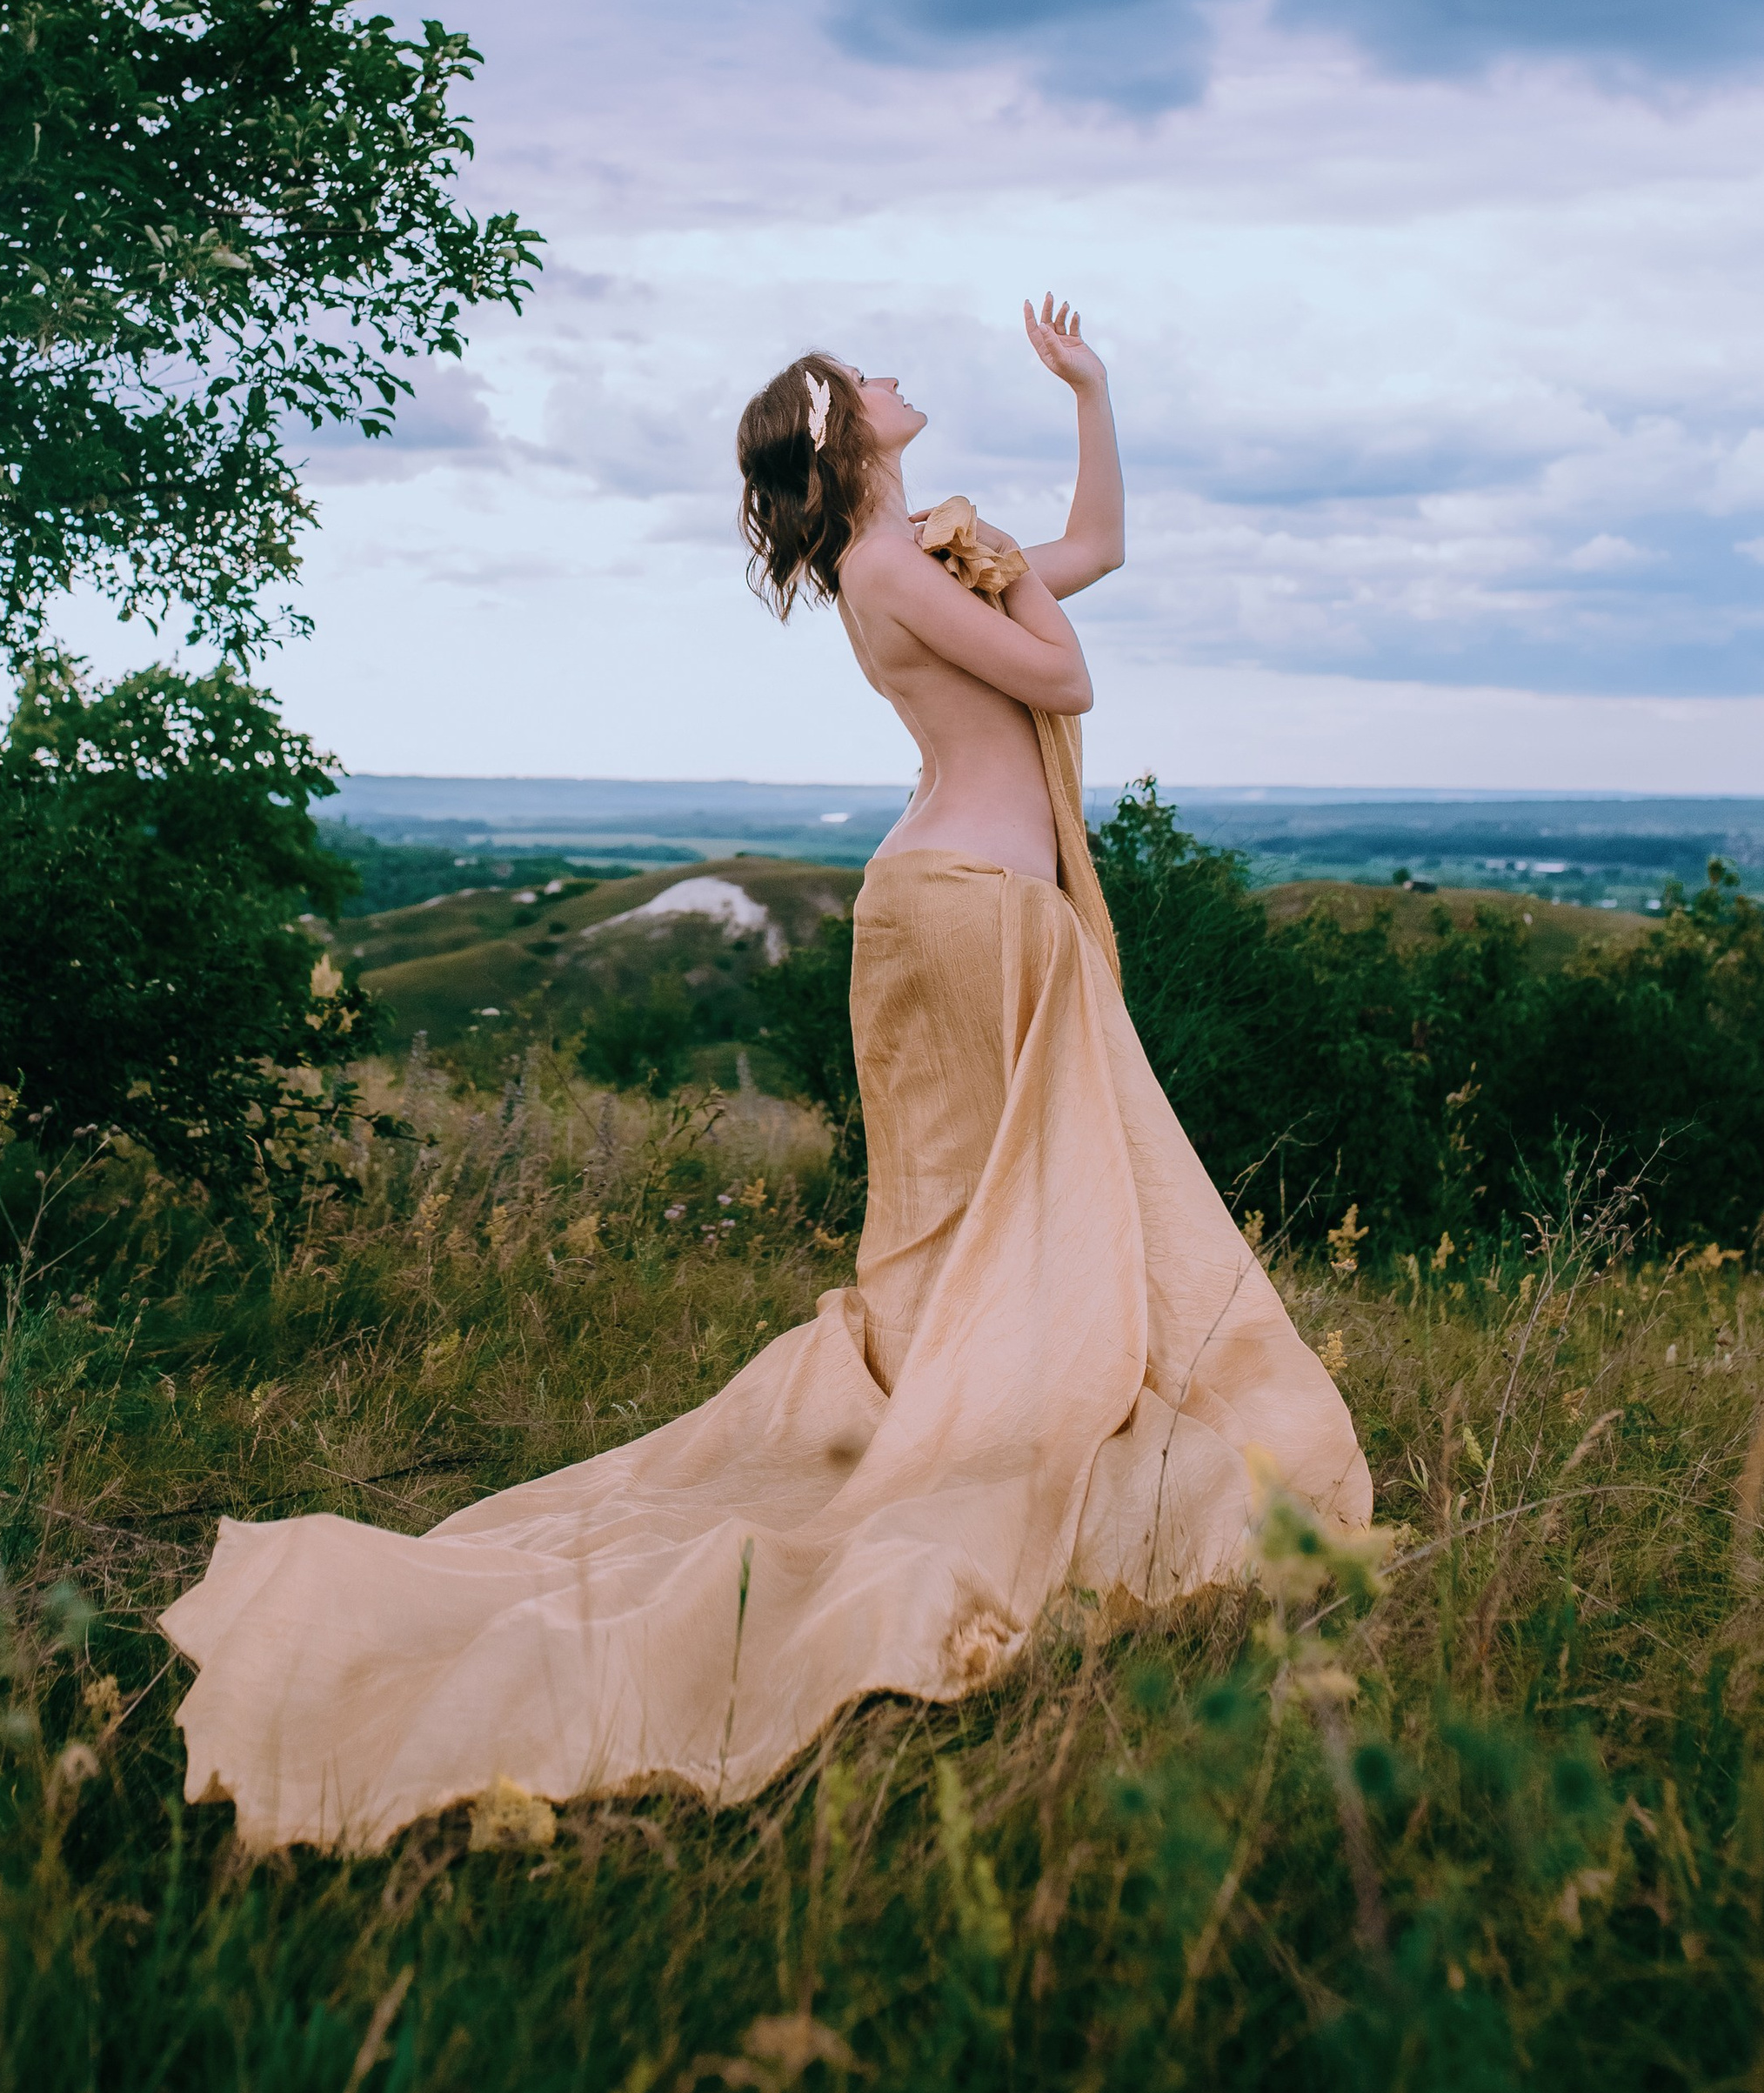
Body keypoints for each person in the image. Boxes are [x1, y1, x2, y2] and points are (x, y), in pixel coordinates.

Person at [162, 302, 1371, 1852]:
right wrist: (992, 565)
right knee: (1005, 1205)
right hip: (963, 916)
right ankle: (983, 1436)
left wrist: (1091, 394)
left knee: (1012, 1211)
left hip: (978, 909)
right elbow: (1066, 687)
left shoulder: (920, 555)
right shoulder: (889, 568)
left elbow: (1104, 551)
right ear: (841, 431)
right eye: (862, 376)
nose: (887, 373)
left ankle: (996, 1412)